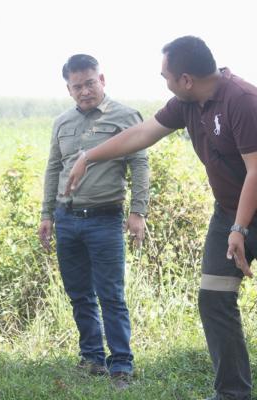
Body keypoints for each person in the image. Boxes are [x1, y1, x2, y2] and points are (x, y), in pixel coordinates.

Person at [66, 36, 257, 400]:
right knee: (214, 298)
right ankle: (233, 394)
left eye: (166, 76)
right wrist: (89, 156)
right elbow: (142, 133)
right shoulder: (188, 103)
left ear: (186, 79)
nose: (165, 82)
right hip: (228, 212)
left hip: (243, 215)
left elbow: (255, 171)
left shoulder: (243, 100)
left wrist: (239, 228)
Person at [39, 54, 149, 389]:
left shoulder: (125, 116)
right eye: (77, 86)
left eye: (90, 83)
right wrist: (46, 214)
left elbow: (139, 164)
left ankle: (121, 365)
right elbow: (53, 168)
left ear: (102, 79)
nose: (85, 91)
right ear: (69, 89)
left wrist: (138, 211)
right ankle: (92, 358)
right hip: (66, 218)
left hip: (105, 218)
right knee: (79, 293)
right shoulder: (62, 122)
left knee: (111, 294)